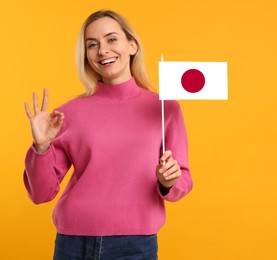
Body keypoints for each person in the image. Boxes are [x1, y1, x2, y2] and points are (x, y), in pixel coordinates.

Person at [23, 10, 193, 260]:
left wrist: (168, 181)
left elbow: (183, 181)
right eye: (92, 44)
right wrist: (41, 147)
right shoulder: (67, 114)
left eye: (111, 39)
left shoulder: (165, 108)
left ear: (132, 45)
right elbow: (40, 194)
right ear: (86, 55)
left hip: (136, 245)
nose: (103, 50)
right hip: (73, 244)